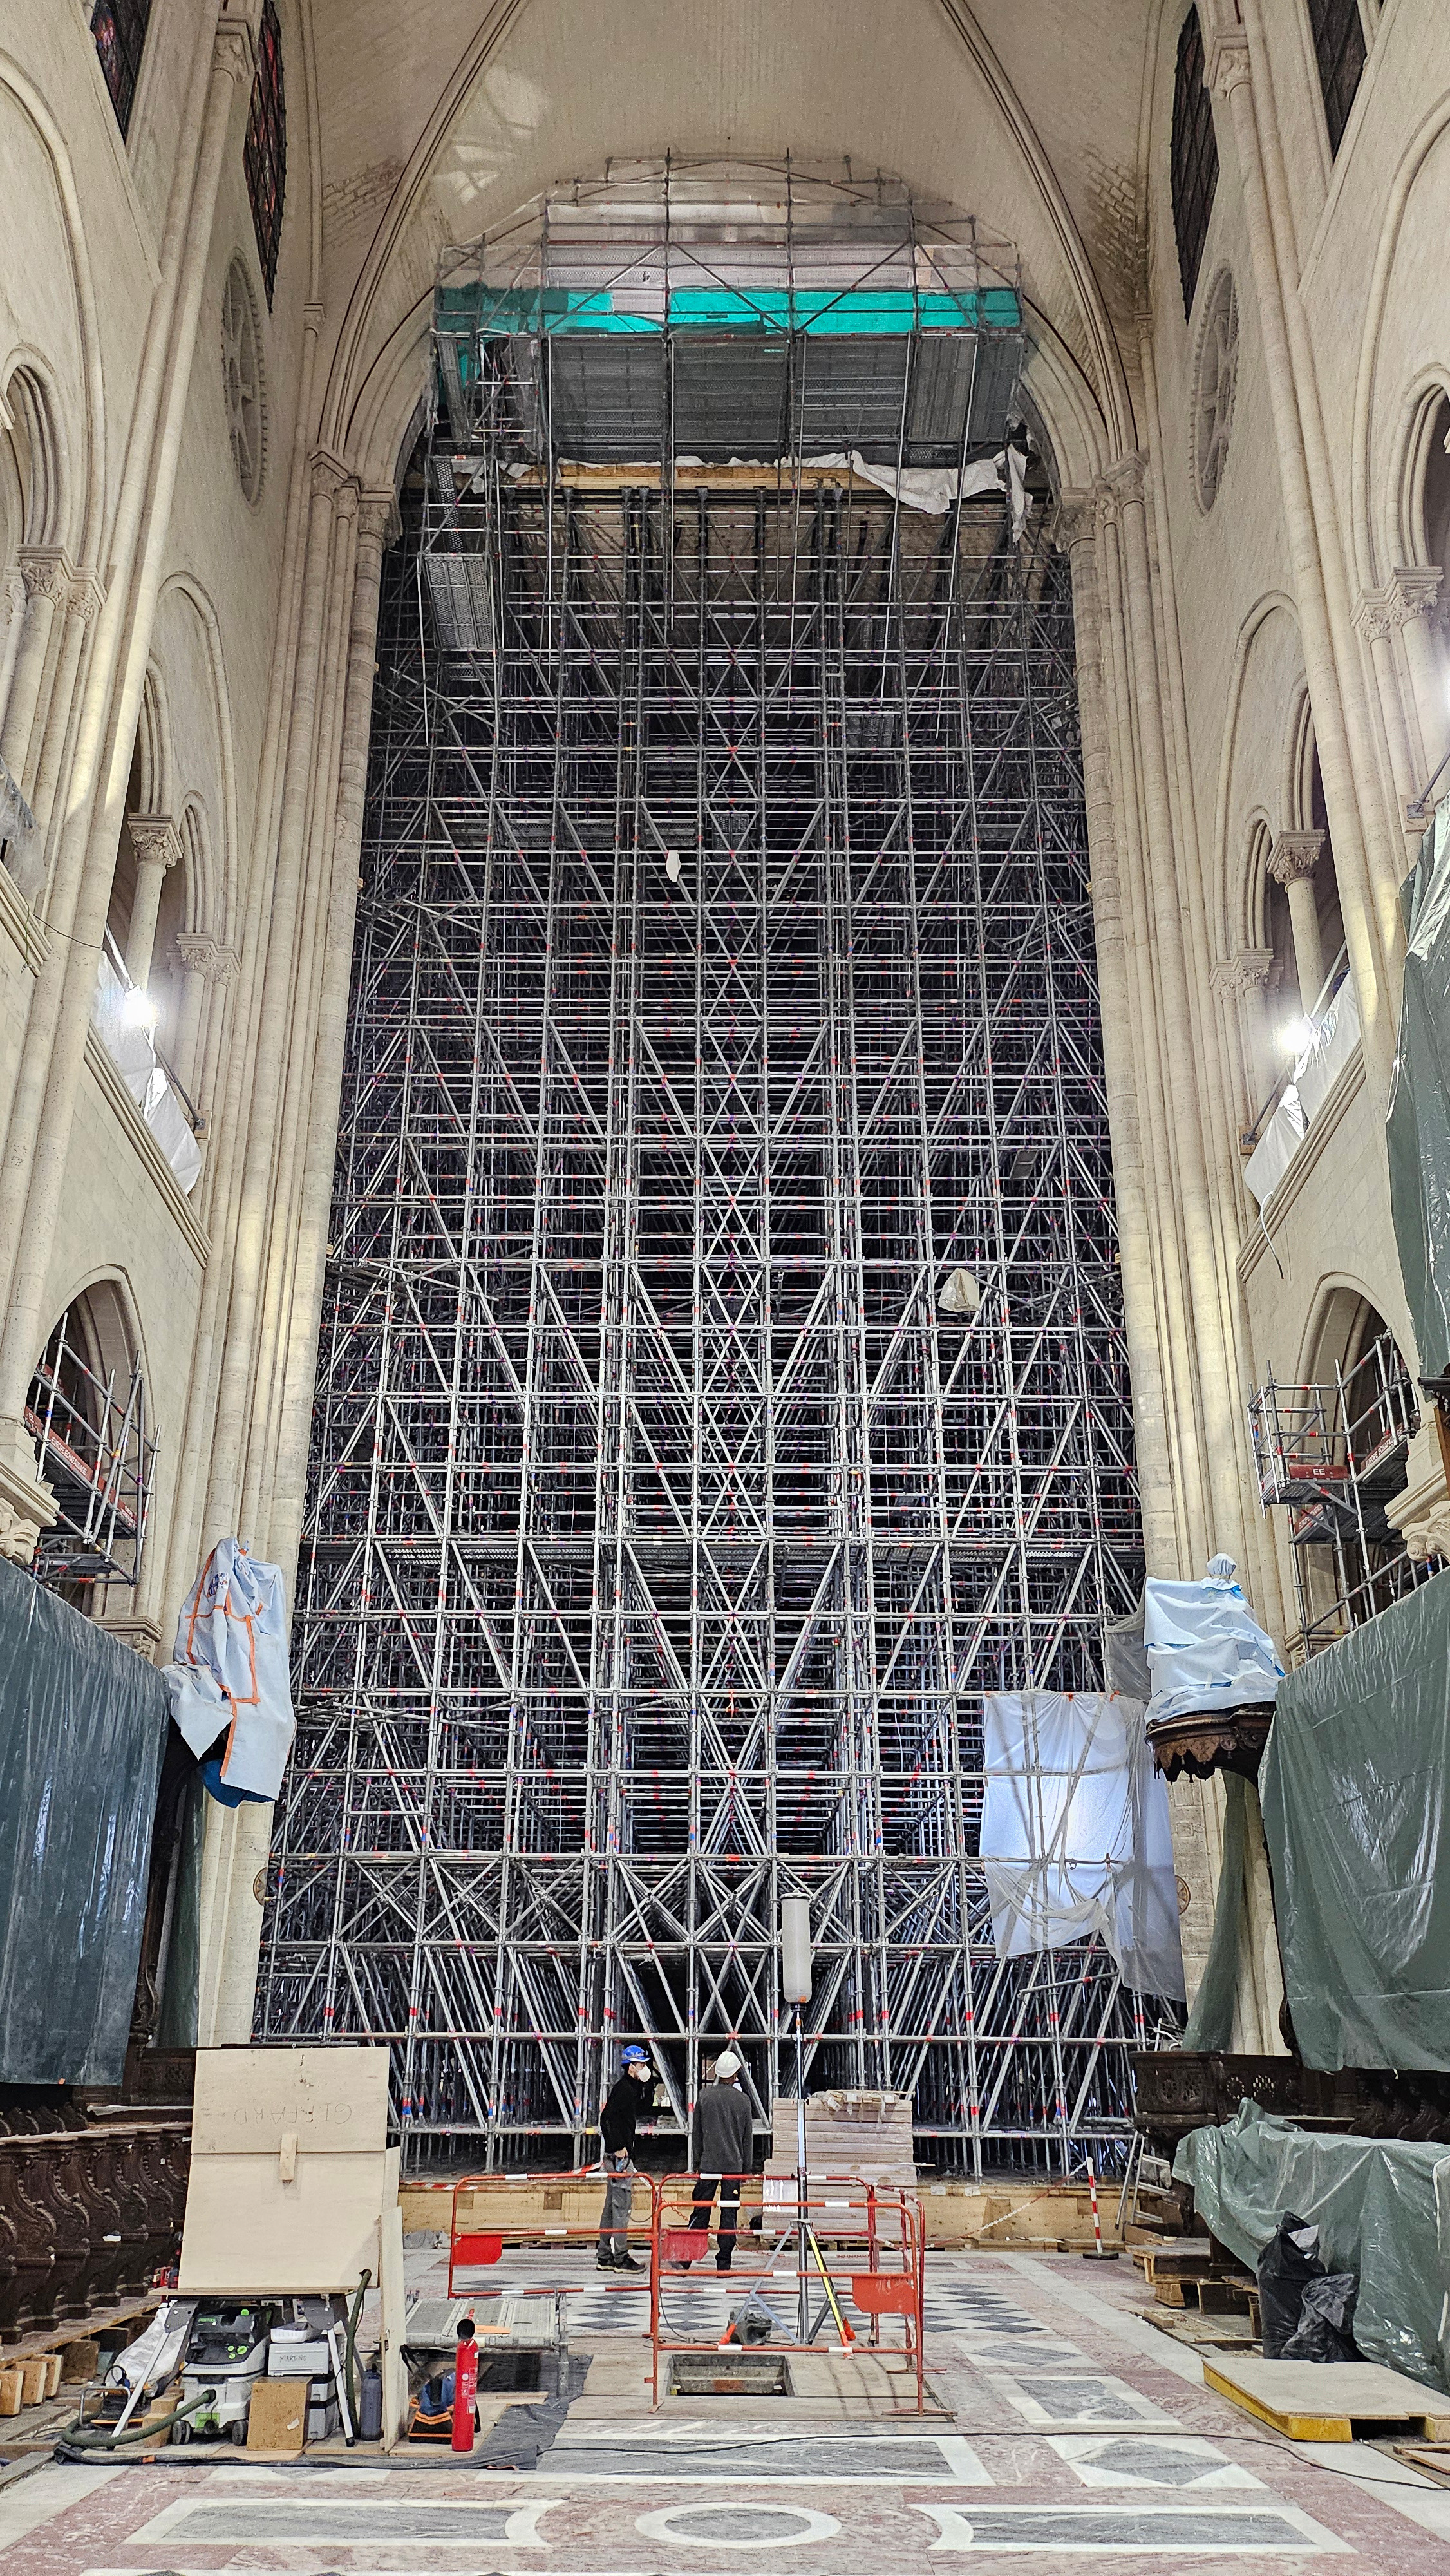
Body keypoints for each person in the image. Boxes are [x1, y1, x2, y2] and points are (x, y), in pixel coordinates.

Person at [681, 2049, 753, 2272]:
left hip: (709, 2164)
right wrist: (746, 2170)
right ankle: (724, 2263)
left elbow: (698, 2135)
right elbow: (747, 2140)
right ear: (734, 2075)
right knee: (729, 2213)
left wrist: (696, 2163)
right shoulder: (743, 2101)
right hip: (733, 2166)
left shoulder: (704, 2097)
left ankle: (686, 2260)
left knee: (701, 2210)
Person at [596, 2045, 654, 2271]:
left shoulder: (630, 2088)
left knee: (611, 2207)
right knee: (621, 2207)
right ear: (631, 2067)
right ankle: (620, 2258)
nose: (644, 2067)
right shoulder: (624, 2090)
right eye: (641, 2064)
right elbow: (606, 2119)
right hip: (618, 2158)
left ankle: (604, 2255)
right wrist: (618, 2147)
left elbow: (636, 2110)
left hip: (616, 2156)